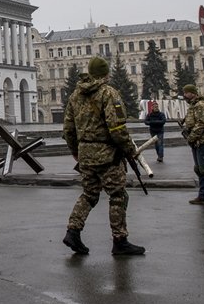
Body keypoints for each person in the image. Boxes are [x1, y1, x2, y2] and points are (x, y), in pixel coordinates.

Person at [62, 56, 146, 257]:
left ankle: (73, 231)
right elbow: (116, 128)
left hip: (85, 155)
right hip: (108, 155)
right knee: (118, 195)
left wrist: (76, 151)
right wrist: (129, 149)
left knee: (89, 194)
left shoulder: (75, 95)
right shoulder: (108, 93)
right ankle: (120, 240)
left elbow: (68, 129)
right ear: (106, 73)